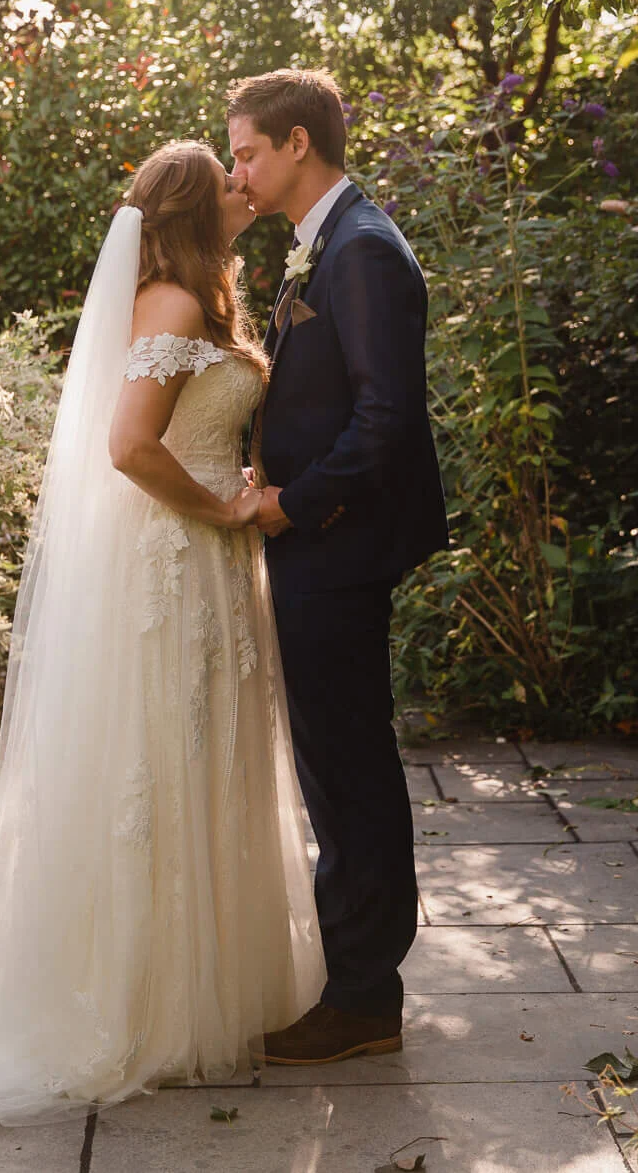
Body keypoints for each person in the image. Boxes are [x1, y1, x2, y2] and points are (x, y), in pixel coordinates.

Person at [0, 141, 324, 1127]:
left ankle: (206, 985)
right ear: (193, 214)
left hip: (210, 567)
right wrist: (221, 511)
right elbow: (129, 446)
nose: (244, 185)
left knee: (204, 761)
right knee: (161, 763)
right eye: (226, 180)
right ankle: (142, 1002)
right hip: (174, 559)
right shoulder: (173, 306)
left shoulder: (203, 300)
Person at [225, 68, 450, 1066]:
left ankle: (363, 996)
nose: (238, 171)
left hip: (335, 546)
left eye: (247, 153)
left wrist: (291, 502)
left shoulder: (360, 252)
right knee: (333, 765)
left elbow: (386, 422)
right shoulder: (331, 243)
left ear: (298, 145)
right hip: (320, 542)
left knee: (348, 769)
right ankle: (353, 979)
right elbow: (329, 403)